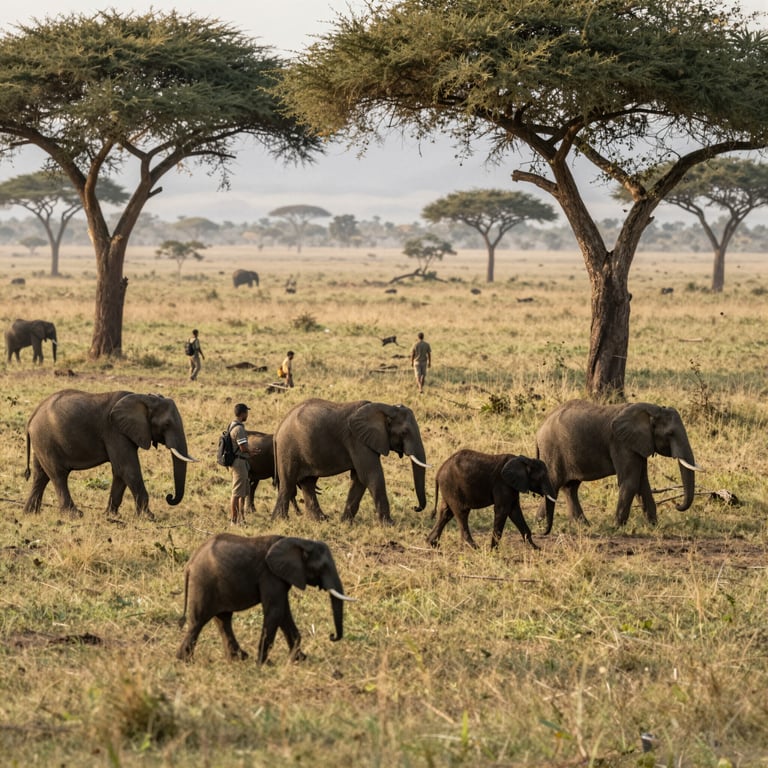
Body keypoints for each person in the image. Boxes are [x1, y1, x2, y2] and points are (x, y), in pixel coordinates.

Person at [229, 403, 251, 525]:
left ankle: (241, 519)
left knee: (242, 492)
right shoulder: (239, 429)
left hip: (239, 462)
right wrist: (251, 452)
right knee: (237, 493)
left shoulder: (232, 425)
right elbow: (242, 447)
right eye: (246, 412)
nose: (247, 415)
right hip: (239, 463)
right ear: (243, 414)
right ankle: (234, 520)